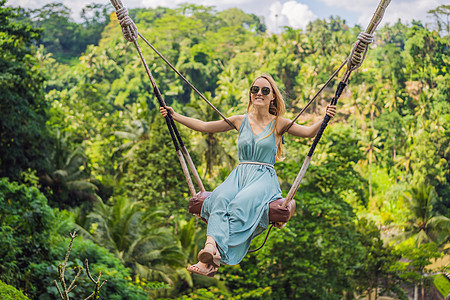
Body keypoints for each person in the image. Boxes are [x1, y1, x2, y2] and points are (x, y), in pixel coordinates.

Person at [160, 73, 336, 277]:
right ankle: (210, 248)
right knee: (219, 198)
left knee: (240, 203)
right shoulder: (239, 120)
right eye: (255, 89)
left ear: (272, 97)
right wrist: (175, 116)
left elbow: (308, 133)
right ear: (250, 95)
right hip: (240, 174)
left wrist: (326, 118)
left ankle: (212, 257)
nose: (259, 93)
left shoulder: (279, 123)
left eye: (265, 90)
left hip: (263, 177)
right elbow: (205, 126)